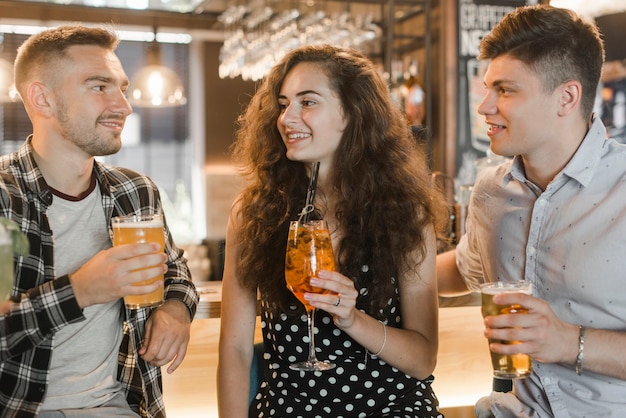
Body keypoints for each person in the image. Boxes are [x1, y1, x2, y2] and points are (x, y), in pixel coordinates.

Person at [217, 44, 450, 417]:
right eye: (283, 104)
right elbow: (235, 348)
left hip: (390, 407)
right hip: (291, 408)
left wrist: (352, 319)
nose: (287, 117)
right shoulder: (253, 214)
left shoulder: (406, 214)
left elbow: (423, 361)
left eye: (307, 102)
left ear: (351, 113)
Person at [437, 5, 626, 417]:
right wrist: (367, 268)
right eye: (487, 87)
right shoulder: (491, 191)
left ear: (567, 97)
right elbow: (464, 270)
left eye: (505, 90)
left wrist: (567, 341)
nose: (485, 106)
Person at [0, 25, 199, 417]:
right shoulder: (5, 199)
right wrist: (81, 290)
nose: (124, 106)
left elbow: (175, 270)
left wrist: (177, 308)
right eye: (99, 87)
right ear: (43, 99)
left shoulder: (135, 191)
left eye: (122, 88)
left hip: (125, 407)